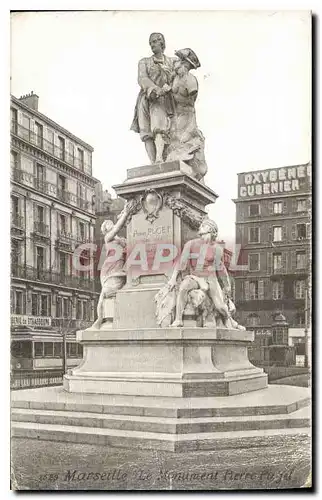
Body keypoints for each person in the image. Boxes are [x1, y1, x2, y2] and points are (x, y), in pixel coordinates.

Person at [166, 218, 244, 329]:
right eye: (201, 234)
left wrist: (227, 285)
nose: (202, 236)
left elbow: (220, 268)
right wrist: (173, 278)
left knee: (220, 306)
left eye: (205, 234)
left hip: (210, 278)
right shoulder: (191, 244)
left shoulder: (217, 249)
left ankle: (228, 319)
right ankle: (178, 319)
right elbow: (181, 262)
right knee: (183, 287)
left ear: (213, 233)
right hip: (194, 276)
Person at [131, 33, 176, 164]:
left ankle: (159, 159)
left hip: (163, 100)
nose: (152, 44)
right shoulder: (144, 62)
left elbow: (178, 76)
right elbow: (142, 78)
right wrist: (155, 89)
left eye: (155, 41)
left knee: (159, 128)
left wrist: (169, 86)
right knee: (146, 133)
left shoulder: (172, 61)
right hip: (147, 98)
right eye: (151, 42)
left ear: (162, 43)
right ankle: (153, 163)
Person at [166, 48, 208, 181]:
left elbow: (191, 101)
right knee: (172, 142)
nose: (175, 63)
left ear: (185, 64)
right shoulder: (175, 78)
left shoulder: (190, 81)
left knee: (182, 141)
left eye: (178, 61)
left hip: (187, 115)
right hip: (175, 114)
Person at [92, 201, 133, 328]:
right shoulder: (108, 238)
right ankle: (101, 319)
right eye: (108, 225)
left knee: (106, 294)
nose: (111, 225)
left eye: (111, 223)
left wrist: (126, 214)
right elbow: (118, 228)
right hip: (111, 269)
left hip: (120, 268)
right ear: (105, 230)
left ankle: (102, 319)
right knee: (106, 293)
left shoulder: (120, 240)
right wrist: (126, 213)